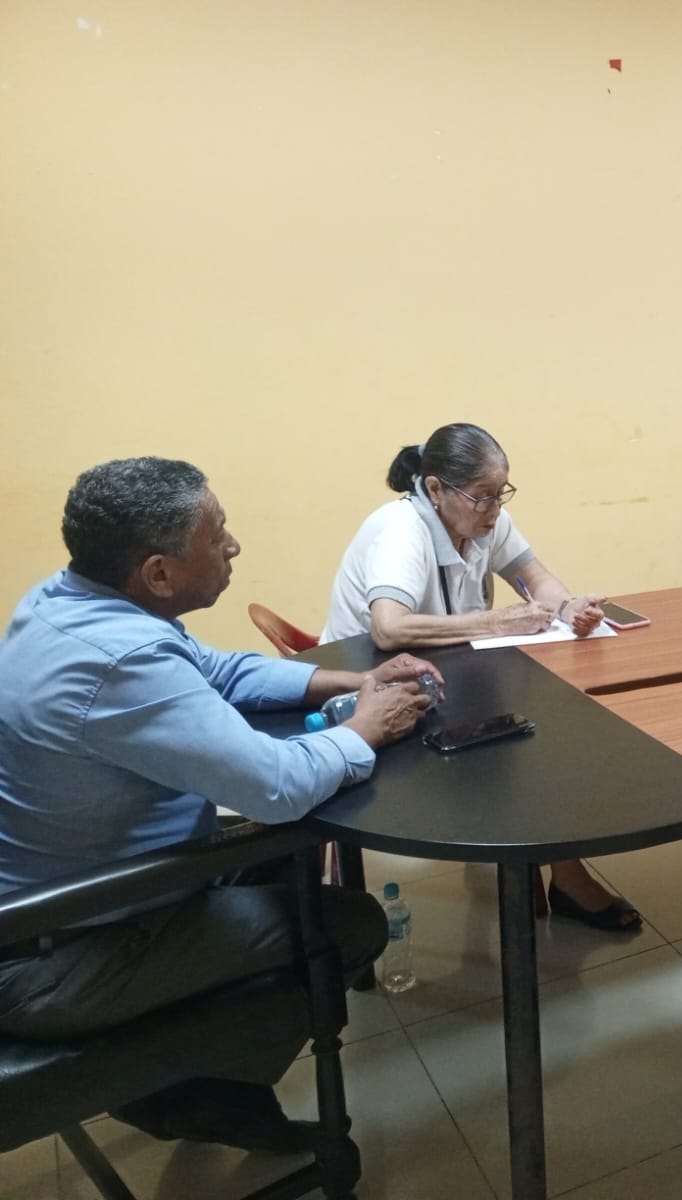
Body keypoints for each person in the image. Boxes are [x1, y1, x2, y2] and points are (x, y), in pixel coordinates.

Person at [0, 457, 438, 1153]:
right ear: (159, 573)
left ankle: (197, 1078)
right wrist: (365, 729)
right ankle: (178, 1092)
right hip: (62, 952)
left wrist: (353, 681)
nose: (233, 545)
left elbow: (219, 670)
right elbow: (276, 786)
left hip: (81, 900)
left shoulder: (66, 602)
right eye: (217, 534)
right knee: (351, 926)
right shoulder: (119, 661)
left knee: (292, 864)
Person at [322, 422, 641, 931]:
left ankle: (563, 875)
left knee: (550, 728)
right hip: (373, 688)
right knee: (527, 746)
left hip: (450, 673)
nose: (494, 509)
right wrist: (497, 621)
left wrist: (568, 607)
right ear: (435, 489)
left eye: (501, 493)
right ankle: (551, 869)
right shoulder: (401, 531)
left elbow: (534, 578)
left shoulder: (487, 522)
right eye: (482, 497)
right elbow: (389, 627)